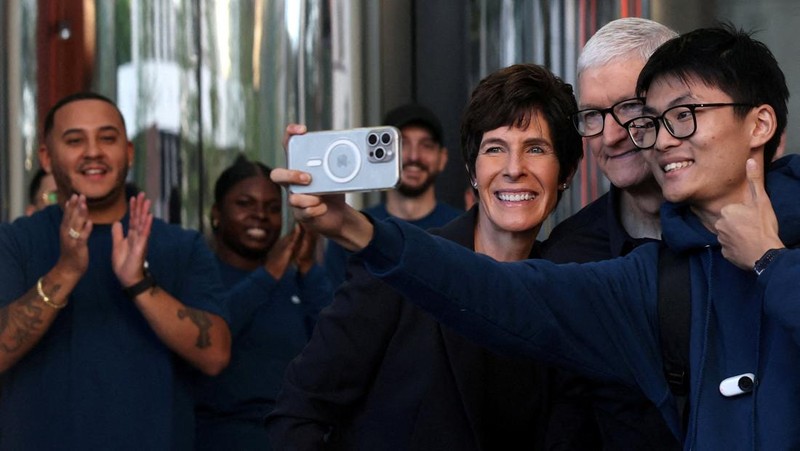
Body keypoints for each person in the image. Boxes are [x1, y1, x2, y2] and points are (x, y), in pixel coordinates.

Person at [272, 25, 799, 449]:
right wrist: (357, 230)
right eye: (652, 120)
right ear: (471, 169)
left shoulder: (688, 263)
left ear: (758, 124)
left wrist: (770, 262)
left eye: (677, 116)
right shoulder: (628, 272)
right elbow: (500, 293)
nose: (647, 137)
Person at [267, 63, 597, 450]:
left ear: (567, 172)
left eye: (536, 149)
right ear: (472, 170)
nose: (513, 169)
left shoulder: (571, 293)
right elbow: (298, 414)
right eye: (495, 149)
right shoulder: (394, 270)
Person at [0, 92, 232, 450]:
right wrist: (65, 271)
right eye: (75, 140)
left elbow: (215, 355)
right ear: (46, 157)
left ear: (128, 152)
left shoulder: (181, 246)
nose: (93, 151)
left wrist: (139, 284)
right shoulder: (14, 241)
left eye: (107, 138)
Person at [541, 18, 680, 449]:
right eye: (593, 116)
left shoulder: (754, 234)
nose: (612, 135)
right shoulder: (567, 256)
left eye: (630, 109)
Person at [195, 155, 332, 450]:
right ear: (216, 213)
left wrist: (307, 267)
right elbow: (212, 335)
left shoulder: (294, 281)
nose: (260, 215)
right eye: (245, 204)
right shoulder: (200, 275)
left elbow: (333, 345)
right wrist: (267, 274)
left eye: (272, 208)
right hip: (219, 437)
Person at [323, 103, 461, 287]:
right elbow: (330, 310)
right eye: (402, 143)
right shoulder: (351, 228)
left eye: (426, 145)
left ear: (442, 158)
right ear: (378, 156)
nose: (413, 156)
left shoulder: (464, 229)